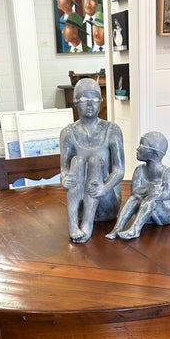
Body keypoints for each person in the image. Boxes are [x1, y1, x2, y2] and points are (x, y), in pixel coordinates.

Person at [60, 78, 125, 243]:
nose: (90, 104)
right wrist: (64, 178)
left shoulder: (112, 130)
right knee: (78, 161)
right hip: (80, 202)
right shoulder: (68, 133)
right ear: (75, 102)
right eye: (84, 99)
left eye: (95, 99)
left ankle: (88, 224)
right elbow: (65, 169)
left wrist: (104, 188)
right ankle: (73, 223)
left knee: (95, 160)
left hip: (106, 201)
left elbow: (119, 170)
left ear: (101, 101)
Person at [106, 131, 170, 240]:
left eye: (142, 145)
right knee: (134, 198)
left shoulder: (166, 172)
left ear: (154, 152)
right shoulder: (139, 170)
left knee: (151, 200)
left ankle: (135, 230)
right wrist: (150, 189)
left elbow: (168, 194)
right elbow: (134, 191)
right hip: (144, 208)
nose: (137, 148)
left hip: (163, 215)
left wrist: (154, 195)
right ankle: (117, 228)